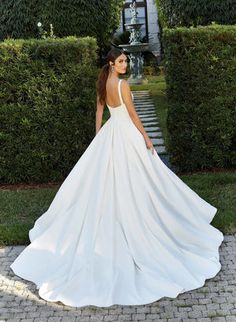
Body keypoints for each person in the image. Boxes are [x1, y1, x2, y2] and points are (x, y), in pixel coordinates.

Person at [10, 47, 224, 308]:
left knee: (110, 180)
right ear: (112, 63)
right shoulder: (122, 84)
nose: (125, 64)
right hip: (126, 135)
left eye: (125, 60)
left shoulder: (103, 83)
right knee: (141, 179)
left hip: (111, 133)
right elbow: (133, 116)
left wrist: (99, 136)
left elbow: (99, 112)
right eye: (121, 61)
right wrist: (145, 137)